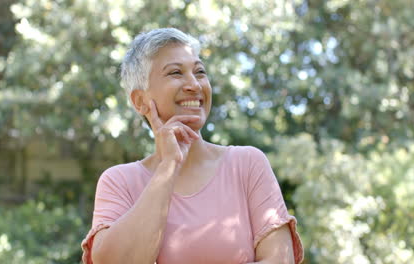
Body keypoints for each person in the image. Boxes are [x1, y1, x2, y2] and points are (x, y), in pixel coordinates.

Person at [81, 28, 304, 264]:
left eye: (200, 72)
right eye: (176, 73)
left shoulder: (247, 164)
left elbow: (280, 260)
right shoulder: (119, 181)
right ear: (140, 100)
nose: (194, 85)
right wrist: (169, 165)